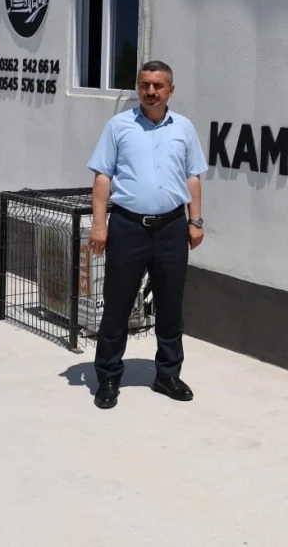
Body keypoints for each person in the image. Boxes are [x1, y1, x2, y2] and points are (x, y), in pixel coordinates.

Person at [86, 60, 206, 409]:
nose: (150, 91)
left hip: (171, 228)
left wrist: (196, 221)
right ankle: (108, 376)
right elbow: (103, 178)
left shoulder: (184, 128)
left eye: (157, 85)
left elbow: (193, 176)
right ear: (138, 88)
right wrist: (99, 225)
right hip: (128, 228)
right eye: (144, 85)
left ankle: (167, 374)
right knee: (117, 304)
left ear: (170, 90)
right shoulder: (118, 126)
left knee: (170, 305)